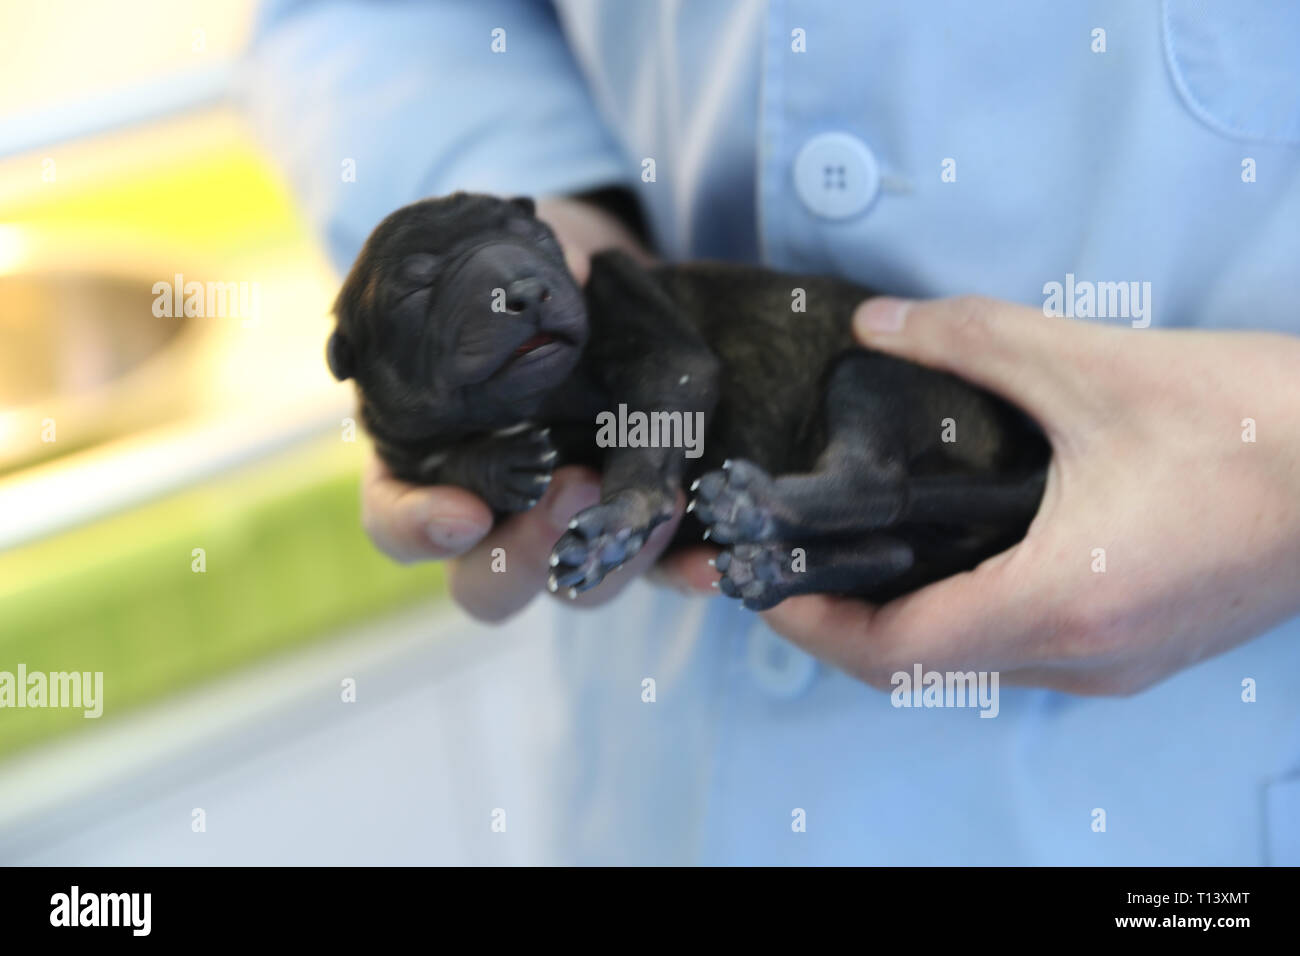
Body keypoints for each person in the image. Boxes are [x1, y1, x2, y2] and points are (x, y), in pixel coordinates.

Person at [246, 0, 1300, 864]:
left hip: (1188, 779)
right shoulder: (556, 317)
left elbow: (683, 372)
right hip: (670, 753)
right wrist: (551, 210)